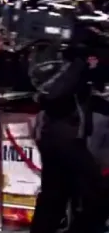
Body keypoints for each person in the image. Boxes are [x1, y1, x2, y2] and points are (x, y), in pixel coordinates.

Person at [30, 46, 109, 233]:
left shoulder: (74, 65)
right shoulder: (58, 61)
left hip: (64, 137)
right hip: (62, 138)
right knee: (97, 194)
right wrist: (81, 64)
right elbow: (53, 91)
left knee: (54, 198)